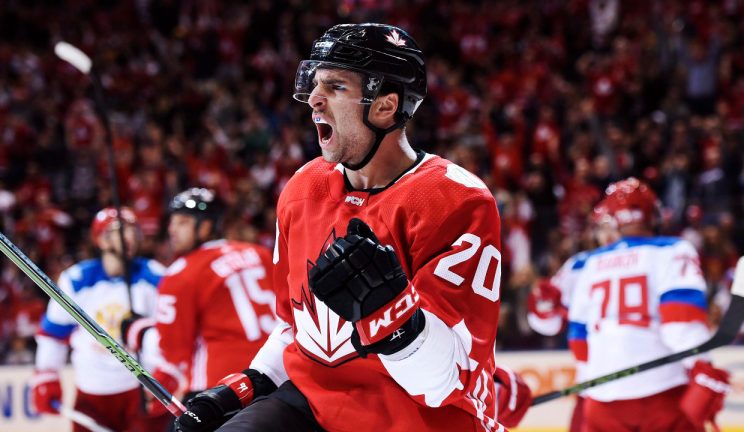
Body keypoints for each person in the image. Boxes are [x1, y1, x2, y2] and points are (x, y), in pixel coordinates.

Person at [174, 23, 529, 432]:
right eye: (315, 84)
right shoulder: (303, 187)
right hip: (313, 402)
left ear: (384, 106)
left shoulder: (455, 200)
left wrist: (393, 318)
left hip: (417, 417)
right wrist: (244, 387)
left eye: (336, 86)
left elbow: (442, 385)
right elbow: (296, 327)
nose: (314, 100)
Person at [566, 177, 730, 431]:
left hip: (603, 399)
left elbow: (579, 338)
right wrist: (702, 364)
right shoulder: (672, 250)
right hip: (663, 393)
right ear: (653, 215)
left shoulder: (589, 263)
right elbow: (681, 321)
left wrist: (589, 385)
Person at [125, 187, 277, 417]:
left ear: (205, 227)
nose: (172, 229)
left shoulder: (182, 273)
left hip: (219, 391)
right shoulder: (259, 253)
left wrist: (139, 333)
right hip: (275, 377)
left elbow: (173, 353)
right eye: (172, 222)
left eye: (183, 222)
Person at [30, 207, 166, 432]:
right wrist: (46, 375)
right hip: (91, 394)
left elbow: (169, 335)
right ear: (101, 240)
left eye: (134, 230)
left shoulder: (155, 275)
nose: (130, 237)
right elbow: (53, 334)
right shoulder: (77, 280)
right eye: (119, 230)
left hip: (140, 391)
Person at [526, 203, 620, 431]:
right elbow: (547, 325)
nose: (607, 234)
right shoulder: (579, 266)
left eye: (613, 226)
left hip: (645, 378)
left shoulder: (651, 257)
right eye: (602, 227)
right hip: (593, 381)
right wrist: (543, 307)